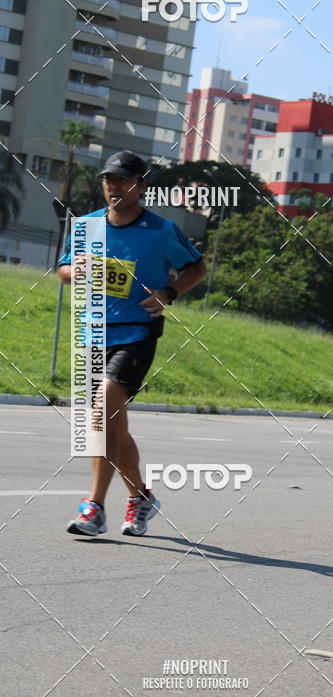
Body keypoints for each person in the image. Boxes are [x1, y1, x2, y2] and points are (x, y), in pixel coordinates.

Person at [58, 150, 207, 538]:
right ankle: (140, 497)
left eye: (123, 181)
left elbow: (197, 267)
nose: (115, 187)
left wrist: (169, 292)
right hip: (93, 334)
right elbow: (63, 268)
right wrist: (76, 270)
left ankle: (94, 507)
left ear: (142, 186)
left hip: (137, 333)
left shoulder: (161, 230)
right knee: (114, 427)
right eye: (109, 180)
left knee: (102, 409)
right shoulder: (87, 225)